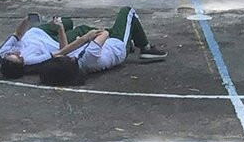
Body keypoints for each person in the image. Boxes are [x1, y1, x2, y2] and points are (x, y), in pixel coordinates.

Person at [38, 7, 167, 86]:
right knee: (128, 12)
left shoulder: (74, 64)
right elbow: (104, 34)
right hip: (117, 44)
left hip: (105, 44)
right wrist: (85, 38)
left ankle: (131, 41)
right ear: (67, 62)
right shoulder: (89, 57)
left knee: (86, 30)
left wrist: (61, 29)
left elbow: (63, 50)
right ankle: (146, 48)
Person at [0, 16, 76, 79]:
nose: (17, 52)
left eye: (11, 53)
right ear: (23, 64)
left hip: (38, 32)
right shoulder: (32, 62)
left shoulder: (2, 52)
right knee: (80, 29)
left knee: (67, 21)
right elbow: (62, 51)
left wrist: (28, 19)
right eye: (19, 57)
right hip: (54, 42)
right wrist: (60, 28)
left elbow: (18, 33)